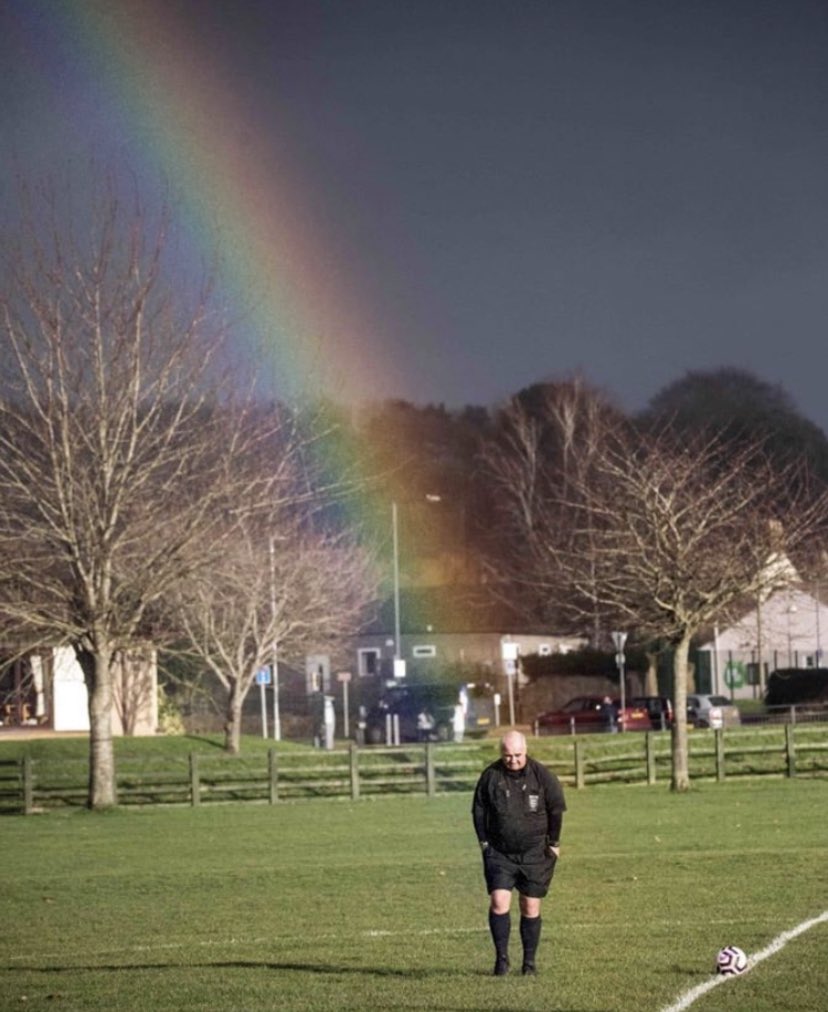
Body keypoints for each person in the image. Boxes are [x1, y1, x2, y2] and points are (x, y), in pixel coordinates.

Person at [471, 729, 566, 977]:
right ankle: (501, 960)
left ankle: (529, 964)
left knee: (530, 905)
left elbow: (556, 810)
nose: (513, 760)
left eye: (517, 755)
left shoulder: (543, 776)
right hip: (500, 853)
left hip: (535, 852)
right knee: (499, 902)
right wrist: (484, 843)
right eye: (507, 756)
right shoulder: (490, 776)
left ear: (526, 750)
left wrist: (554, 843)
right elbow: (479, 811)